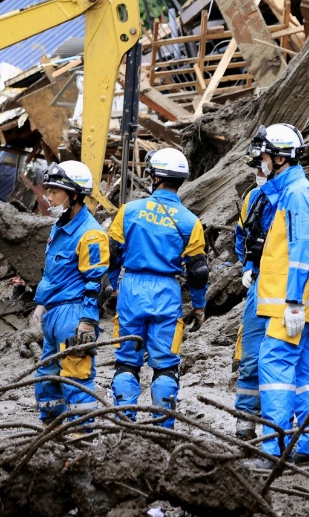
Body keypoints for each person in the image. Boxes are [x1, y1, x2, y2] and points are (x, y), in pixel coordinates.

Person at [247, 124, 309, 467]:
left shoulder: (297, 193)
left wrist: (294, 301)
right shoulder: (292, 192)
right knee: (306, 372)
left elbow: (303, 248)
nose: (261, 161)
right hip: (299, 304)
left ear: (280, 158)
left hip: (290, 303)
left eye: (265, 155)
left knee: (276, 367)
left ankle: (273, 450)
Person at [105, 148, 208, 429]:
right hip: (167, 293)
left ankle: (125, 428)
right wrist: (198, 306)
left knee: (127, 362)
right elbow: (198, 271)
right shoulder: (190, 222)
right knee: (165, 365)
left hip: (132, 290)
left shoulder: (129, 211)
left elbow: (112, 255)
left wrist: (115, 287)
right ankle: (163, 431)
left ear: (154, 177)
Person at [31, 160, 108, 424]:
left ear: (74, 195)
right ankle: (50, 432)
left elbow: (96, 284)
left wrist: (87, 321)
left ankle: (80, 439)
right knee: (47, 378)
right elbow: (51, 273)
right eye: (48, 190)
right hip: (54, 315)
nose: (48, 197)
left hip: (74, 316)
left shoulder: (91, 234)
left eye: (55, 192)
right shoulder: (59, 228)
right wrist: (41, 304)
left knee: (75, 378)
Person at [231, 134, 268, 440]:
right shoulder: (252, 198)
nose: (258, 171)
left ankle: (279, 425)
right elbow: (242, 236)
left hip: (282, 285)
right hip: (258, 283)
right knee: (250, 356)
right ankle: (246, 425)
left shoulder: (293, 197)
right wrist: (246, 267)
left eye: (260, 165)